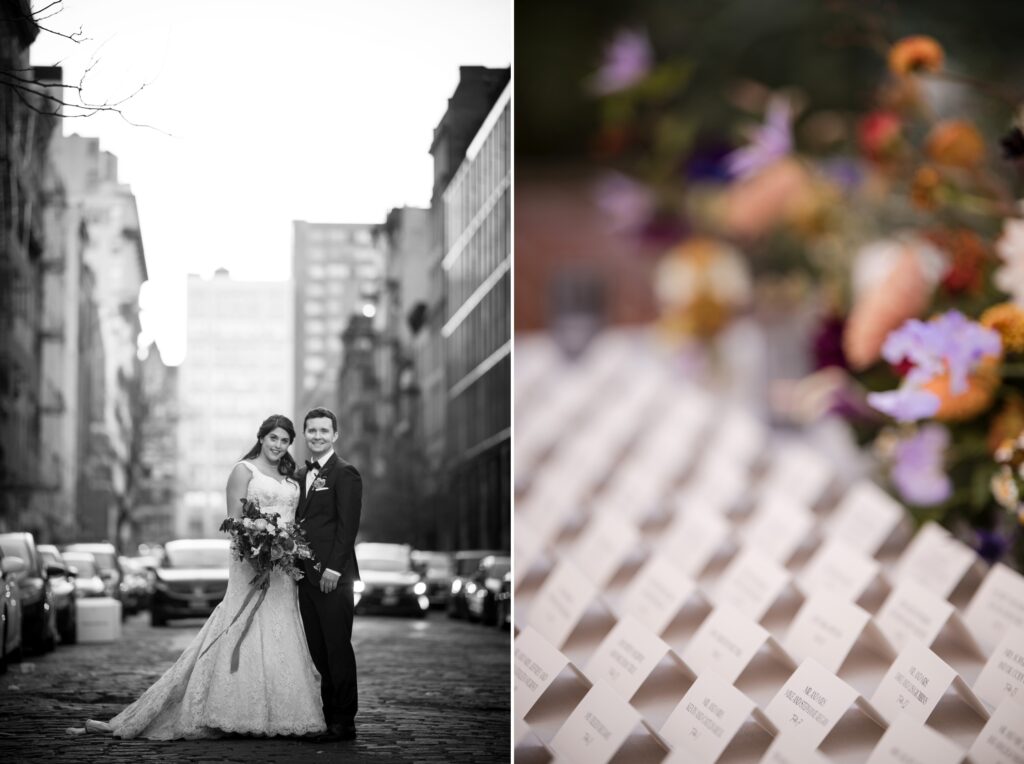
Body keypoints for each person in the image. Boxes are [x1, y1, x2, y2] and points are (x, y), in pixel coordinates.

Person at [72, 415, 326, 740]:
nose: (278, 445)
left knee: (282, 630)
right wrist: (258, 556)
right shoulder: (243, 470)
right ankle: (236, 710)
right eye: (273, 438)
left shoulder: (293, 477)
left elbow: (295, 522)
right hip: (251, 565)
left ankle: (284, 712)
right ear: (262, 438)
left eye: (284, 440)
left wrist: (285, 550)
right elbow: (235, 524)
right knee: (244, 629)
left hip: (284, 571)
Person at [296, 407, 363, 742]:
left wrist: (334, 569)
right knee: (318, 650)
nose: (318, 436)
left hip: (333, 577)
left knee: (337, 647)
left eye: (324, 431)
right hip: (304, 577)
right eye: (312, 431)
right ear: (305, 434)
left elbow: (347, 526)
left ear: (335, 435)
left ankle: (344, 721)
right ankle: (327, 715)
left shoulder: (345, 473)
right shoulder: (298, 476)